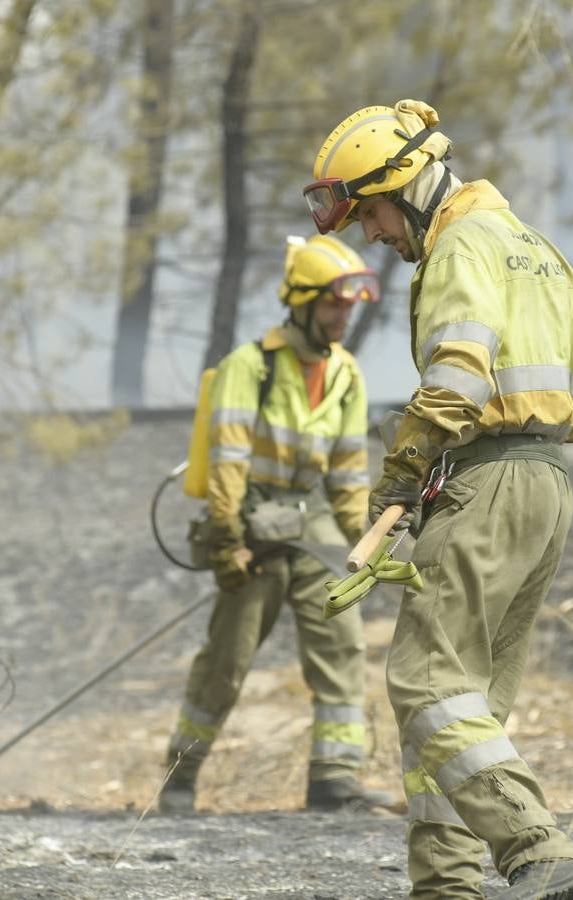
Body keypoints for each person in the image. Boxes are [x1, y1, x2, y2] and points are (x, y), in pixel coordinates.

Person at [302, 100, 573, 900]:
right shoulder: (532, 245)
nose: (371, 235)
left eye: (369, 213)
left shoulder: (459, 246)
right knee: (461, 711)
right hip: (545, 487)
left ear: (403, 185)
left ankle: (539, 853)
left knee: (424, 683)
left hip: (486, 483)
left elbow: (456, 377)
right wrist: (527, 440)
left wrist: (406, 473)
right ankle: (446, 885)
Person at [159, 234, 396, 815]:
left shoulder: (345, 372)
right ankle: (180, 778)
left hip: (311, 519)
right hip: (251, 521)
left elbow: (345, 473)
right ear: (302, 302)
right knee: (228, 659)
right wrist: (226, 540)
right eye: (333, 304)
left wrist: (366, 545)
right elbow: (229, 461)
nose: (343, 316)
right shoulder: (249, 366)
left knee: (341, 645)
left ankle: (333, 779)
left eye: (349, 306)